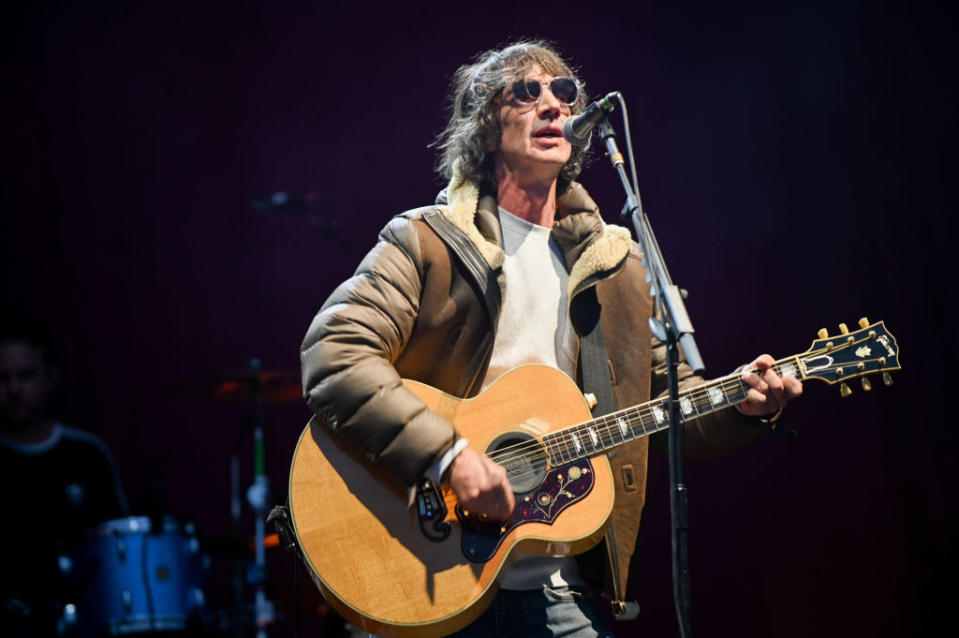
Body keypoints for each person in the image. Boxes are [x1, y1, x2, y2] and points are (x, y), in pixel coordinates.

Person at [300, 40, 802, 637]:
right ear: (485, 123)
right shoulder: (427, 242)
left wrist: (745, 406)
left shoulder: (616, 266)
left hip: (554, 590)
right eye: (526, 91)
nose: (552, 104)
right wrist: (449, 456)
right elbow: (335, 356)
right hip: (424, 563)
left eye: (564, 93)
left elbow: (669, 407)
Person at [0, 315, 128, 636]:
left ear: (50, 378)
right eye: (2, 378)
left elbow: (118, 554)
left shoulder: (86, 455)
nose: (14, 389)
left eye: (26, 376)